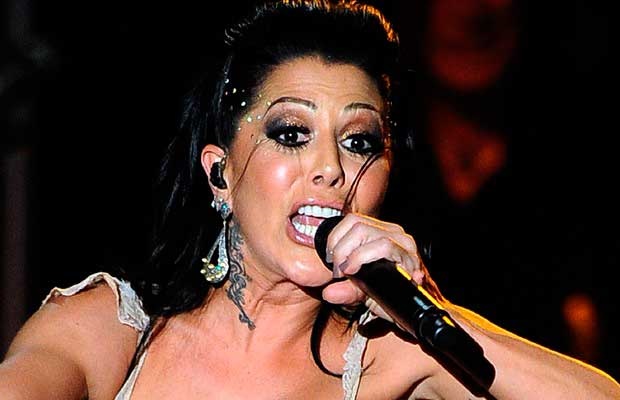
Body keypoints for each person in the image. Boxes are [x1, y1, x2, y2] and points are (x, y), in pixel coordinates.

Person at [1, 0, 618, 398]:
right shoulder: (107, 329)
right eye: (291, 133)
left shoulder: (391, 358)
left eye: (359, 141)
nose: (329, 168)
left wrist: (432, 312)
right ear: (219, 174)